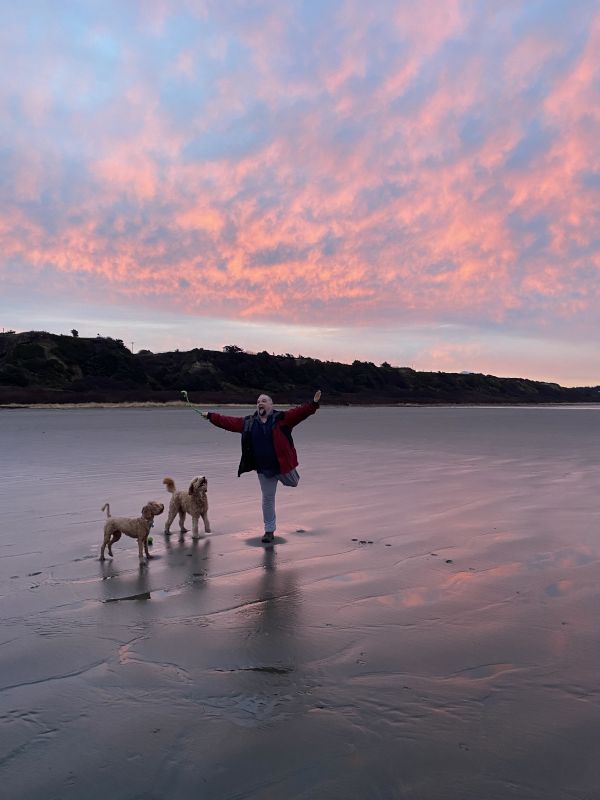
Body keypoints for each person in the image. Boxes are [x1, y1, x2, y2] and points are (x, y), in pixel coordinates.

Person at [201, 390, 321, 543]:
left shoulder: (282, 418)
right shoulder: (249, 422)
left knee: (294, 482)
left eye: (264, 400)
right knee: (268, 498)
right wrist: (211, 416)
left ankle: (290, 476)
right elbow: (229, 422)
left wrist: (313, 404)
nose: (260, 403)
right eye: (258, 401)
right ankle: (269, 531)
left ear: (271, 405)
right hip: (264, 470)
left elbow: (299, 413)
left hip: (282, 466)